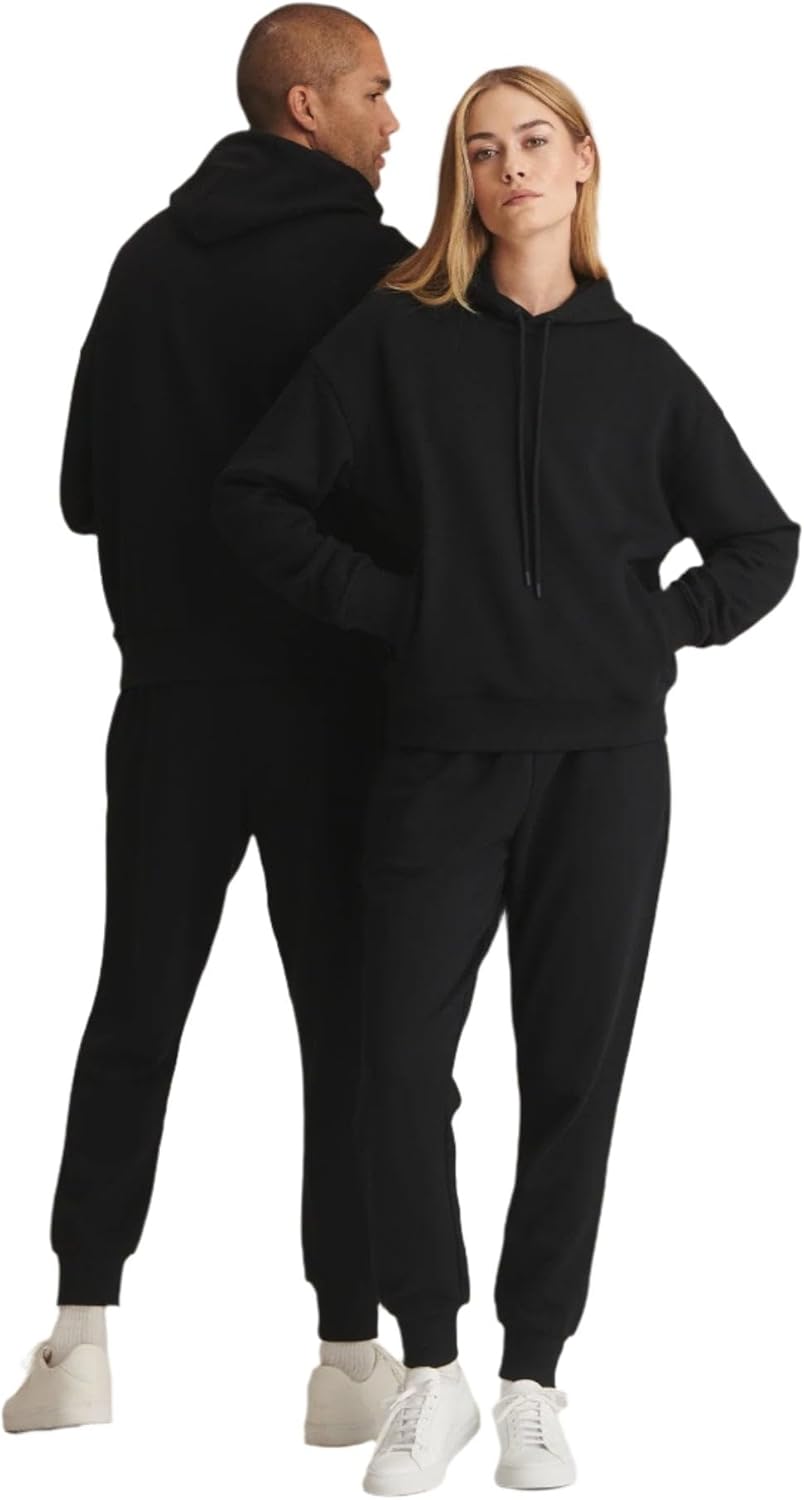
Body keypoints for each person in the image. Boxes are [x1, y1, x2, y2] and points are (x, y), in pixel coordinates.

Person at [209, 64, 800, 1495]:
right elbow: (255, 496)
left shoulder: (643, 369)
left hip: (606, 769)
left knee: (573, 1075)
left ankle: (534, 1373)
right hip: (438, 759)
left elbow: (762, 541)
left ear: (584, 162)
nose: (509, 167)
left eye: (534, 142)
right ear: (463, 181)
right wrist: (401, 612)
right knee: (397, 1066)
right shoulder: (397, 339)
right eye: (482, 150)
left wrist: (653, 626)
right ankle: (434, 1369)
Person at [3, 4, 417, 1440]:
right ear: (305, 107)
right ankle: (349, 1360)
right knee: (348, 1025)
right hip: (337, 708)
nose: (395, 120)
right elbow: (416, 501)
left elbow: (78, 491)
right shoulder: (381, 273)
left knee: (135, 1004)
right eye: (375, 92)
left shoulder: (148, 257)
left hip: (172, 700)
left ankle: (78, 1340)